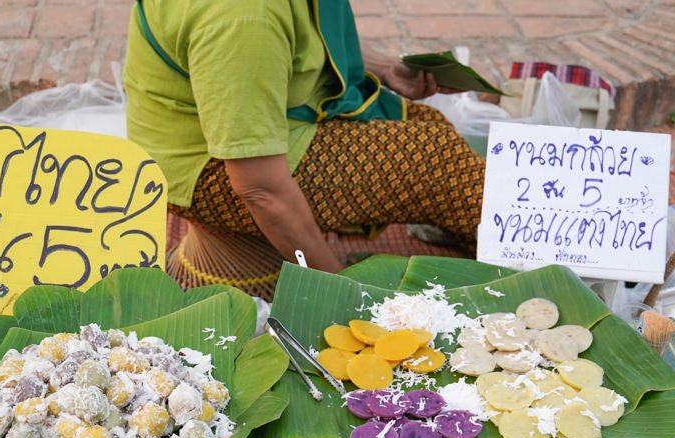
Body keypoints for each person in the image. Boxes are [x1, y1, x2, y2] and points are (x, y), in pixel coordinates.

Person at [123, 0, 485, 274]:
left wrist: (385, 68)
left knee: (429, 124)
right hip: (207, 171)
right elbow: (259, 188)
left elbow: (304, 39)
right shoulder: (245, 18)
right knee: (436, 158)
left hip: (260, 124)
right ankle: (521, 253)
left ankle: (487, 229)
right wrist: (334, 288)